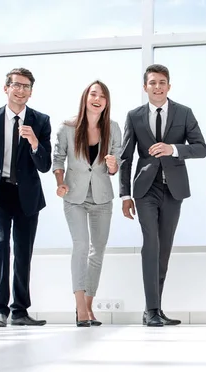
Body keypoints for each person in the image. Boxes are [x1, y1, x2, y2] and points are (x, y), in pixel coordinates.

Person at [119, 64, 206, 327]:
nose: (157, 87)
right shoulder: (134, 116)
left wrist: (173, 149)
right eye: (152, 82)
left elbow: (201, 148)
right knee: (152, 244)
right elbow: (125, 158)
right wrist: (124, 195)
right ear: (145, 87)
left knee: (164, 248)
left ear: (169, 86)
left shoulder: (184, 113)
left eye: (162, 82)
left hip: (174, 188)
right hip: (145, 189)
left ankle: (156, 308)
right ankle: (151, 309)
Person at [0, 67, 51, 328]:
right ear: (6, 88)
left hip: (27, 196)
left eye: (26, 86)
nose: (21, 90)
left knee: (23, 252)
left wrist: (35, 143)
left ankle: (20, 311)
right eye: (16, 85)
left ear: (31, 91)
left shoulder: (41, 120)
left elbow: (45, 165)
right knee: (1, 245)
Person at [52, 80, 121, 327]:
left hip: (103, 197)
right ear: (85, 98)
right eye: (93, 93)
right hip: (74, 197)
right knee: (81, 246)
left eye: (102, 95)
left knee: (97, 251)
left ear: (106, 102)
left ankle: (90, 306)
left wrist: (114, 166)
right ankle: (80, 308)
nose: (98, 98)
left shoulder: (113, 128)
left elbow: (116, 164)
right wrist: (60, 181)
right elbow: (58, 159)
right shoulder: (67, 127)